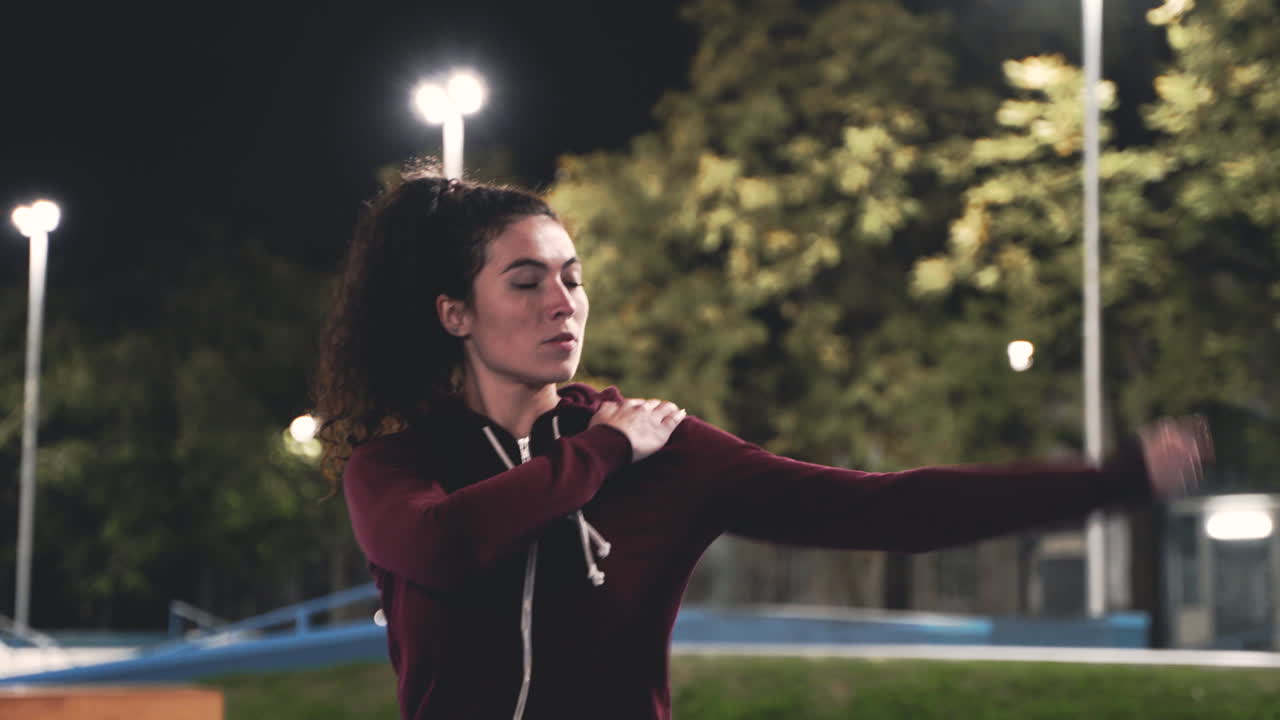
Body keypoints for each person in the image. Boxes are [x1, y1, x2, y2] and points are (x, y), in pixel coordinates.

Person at [312, 165, 1211, 720]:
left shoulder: (666, 449)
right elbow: (445, 544)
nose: (564, 302)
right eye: (526, 281)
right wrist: (600, 458)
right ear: (454, 313)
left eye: (574, 278)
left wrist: (1109, 481)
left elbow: (890, 511)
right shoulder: (397, 469)